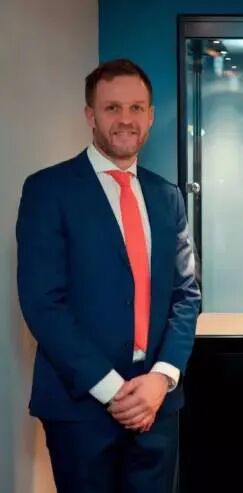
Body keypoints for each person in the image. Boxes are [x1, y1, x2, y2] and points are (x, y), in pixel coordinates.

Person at [16, 59, 201, 493]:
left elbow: (187, 295)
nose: (125, 119)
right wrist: (113, 390)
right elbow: (43, 303)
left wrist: (162, 377)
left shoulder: (167, 196)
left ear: (150, 116)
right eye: (112, 107)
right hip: (80, 406)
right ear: (90, 115)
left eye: (136, 108)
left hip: (157, 405)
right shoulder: (48, 190)